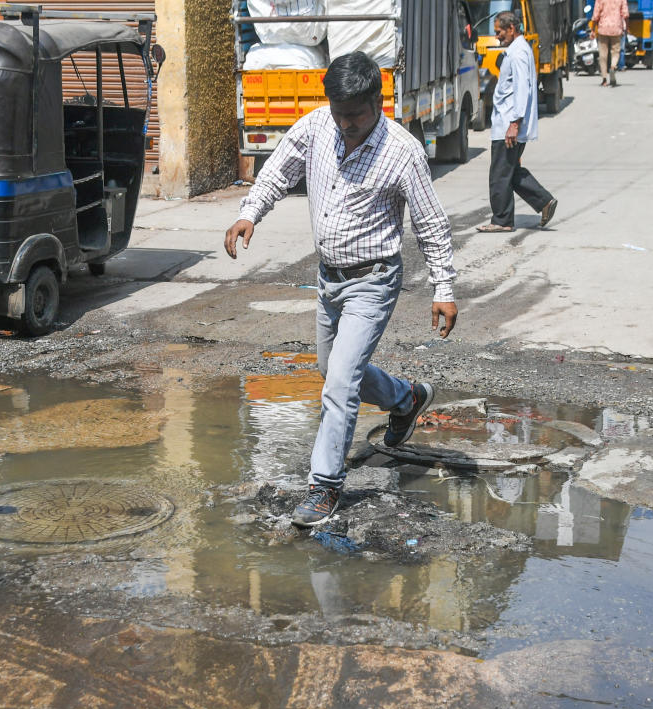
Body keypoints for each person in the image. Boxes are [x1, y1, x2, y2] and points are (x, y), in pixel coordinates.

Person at [223, 51, 458, 528]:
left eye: (356, 114)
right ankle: (406, 398)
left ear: (377, 102)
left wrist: (444, 287)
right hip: (329, 277)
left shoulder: (403, 151)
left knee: (339, 386)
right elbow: (279, 170)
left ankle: (324, 488)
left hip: (374, 280)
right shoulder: (316, 128)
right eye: (339, 113)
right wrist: (250, 212)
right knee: (333, 369)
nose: (347, 124)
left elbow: (431, 224)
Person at [476, 11, 557, 234]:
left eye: (500, 32)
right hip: (507, 123)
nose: (497, 37)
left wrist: (514, 123)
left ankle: (502, 220)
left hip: (508, 124)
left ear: (512, 28)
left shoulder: (518, 53)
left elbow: (522, 90)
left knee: (500, 174)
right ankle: (544, 202)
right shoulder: (517, 50)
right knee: (509, 171)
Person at [590, 0, 628, 87]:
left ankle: (604, 79)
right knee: (615, 51)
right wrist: (626, 28)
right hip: (616, 28)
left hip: (603, 28)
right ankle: (613, 67)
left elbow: (596, 15)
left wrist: (592, 30)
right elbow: (625, 14)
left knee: (603, 55)